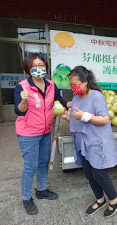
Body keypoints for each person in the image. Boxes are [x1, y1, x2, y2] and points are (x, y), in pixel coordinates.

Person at [59, 66, 117, 217]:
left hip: (97, 142)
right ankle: (100, 199)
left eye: (75, 83)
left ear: (85, 82)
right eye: (71, 84)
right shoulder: (75, 98)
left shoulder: (97, 97)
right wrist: (67, 118)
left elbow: (105, 119)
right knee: (88, 173)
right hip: (83, 143)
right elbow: (78, 121)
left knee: (99, 174)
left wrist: (86, 116)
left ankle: (115, 200)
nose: (73, 87)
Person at [14, 53, 71, 215]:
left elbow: (60, 101)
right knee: (30, 166)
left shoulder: (52, 85)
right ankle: (26, 198)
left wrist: (78, 101)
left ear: (46, 67)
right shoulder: (22, 86)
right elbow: (19, 111)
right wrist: (24, 100)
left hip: (46, 130)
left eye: (41, 65)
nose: (38, 69)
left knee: (43, 162)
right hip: (28, 133)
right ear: (28, 69)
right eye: (34, 66)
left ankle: (41, 190)